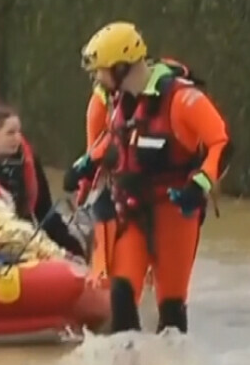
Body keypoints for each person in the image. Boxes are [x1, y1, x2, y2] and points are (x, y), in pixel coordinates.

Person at [65, 23, 230, 335]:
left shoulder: (182, 99)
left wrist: (201, 185)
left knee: (171, 309)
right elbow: (115, 140)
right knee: (121, 294)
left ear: (121, 67)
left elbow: (221, 143)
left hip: (176, 213)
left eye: (100, 71)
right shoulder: (123, 100)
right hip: (130, 212)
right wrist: (86, 165)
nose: (96, 79)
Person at [0, 106, 87, 259]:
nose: (17, 138)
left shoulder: (29, 161)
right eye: (10, 133)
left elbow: (44, 209)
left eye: (19, 132)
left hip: (26, 233)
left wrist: (71, 247)